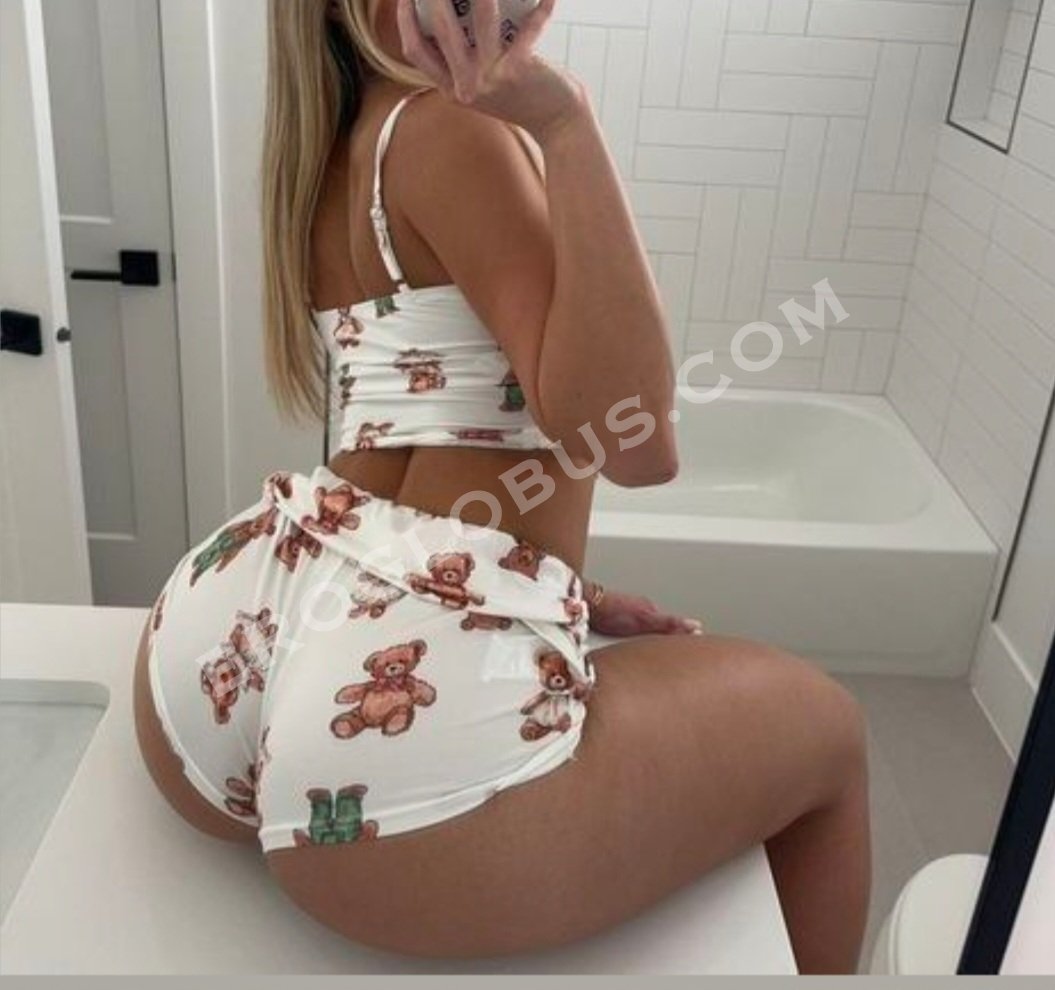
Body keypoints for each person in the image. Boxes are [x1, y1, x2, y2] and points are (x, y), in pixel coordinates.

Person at [133, 0, 871, 974]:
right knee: (829, 737)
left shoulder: (336, 138)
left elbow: (418, 435)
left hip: (234, 628)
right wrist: (565, 123)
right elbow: (635, 440)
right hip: (389, 731)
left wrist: (552, 586)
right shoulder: (458, 127)